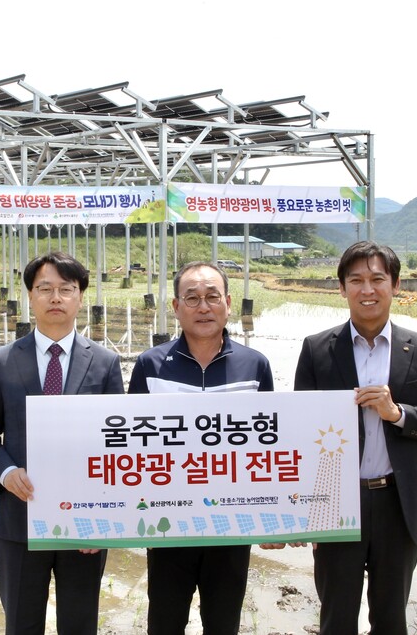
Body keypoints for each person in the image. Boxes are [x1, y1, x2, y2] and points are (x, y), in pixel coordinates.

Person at [294, 241, 417, 635]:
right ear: (342, 288)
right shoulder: (317, 349)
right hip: (337, 502)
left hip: (398, 504)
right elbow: (301, 434)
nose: (367, 290)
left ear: (396, 285)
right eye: (356, 280)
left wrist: (398, 413)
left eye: (377, 279)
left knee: (390, 619)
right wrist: (309, 515)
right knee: (336, 619)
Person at [0, 251, 124, 635]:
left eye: (66, 289)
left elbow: (117, 445)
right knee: (21, 624)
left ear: (80, 297)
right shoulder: (2, 362)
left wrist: (102, 520)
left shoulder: (104, 362)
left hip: (83, 524)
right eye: (45, 289)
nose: (56, 298)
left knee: (80, 622)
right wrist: (5, 472)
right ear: (31, 297)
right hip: (18, 521)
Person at [127, 260, 274, 635]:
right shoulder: (150, 365)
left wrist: (273, 512)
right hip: (167, 523)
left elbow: (270, 445)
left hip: (231, 526)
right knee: (164, 621)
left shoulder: (255, 365)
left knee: (224, 623)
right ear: (176, 308)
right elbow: (130, 445)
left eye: (212, 297)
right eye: (192, 298)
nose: (203, 307)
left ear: (228, 302)